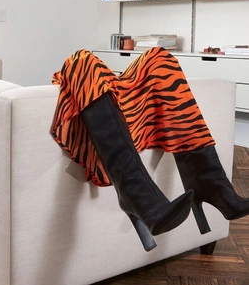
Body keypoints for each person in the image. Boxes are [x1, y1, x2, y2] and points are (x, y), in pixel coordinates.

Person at [51, 48, 249, 251]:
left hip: (129, 108)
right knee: (80, 60)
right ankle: (137, 196)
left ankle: (212, 184)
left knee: (159, 56)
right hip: (101, 109)